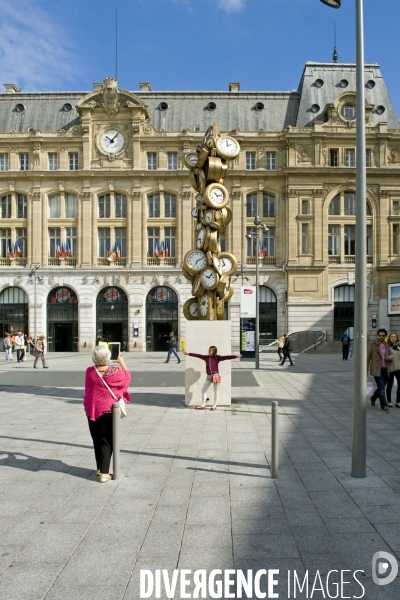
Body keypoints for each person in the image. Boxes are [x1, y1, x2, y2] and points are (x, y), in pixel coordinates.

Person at [83, 346, 131, 483]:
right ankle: (104, 473)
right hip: (108, 410)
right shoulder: (115, 372)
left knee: (97, 439)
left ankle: (99, 467)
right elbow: (127, 378)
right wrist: (121, 362)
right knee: (106, 441)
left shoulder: (90, 371)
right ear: (108, 357)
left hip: (92, 409)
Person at [184, 346, 241, 410]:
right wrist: (188, 354)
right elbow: (198, 355)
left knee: (216, 390)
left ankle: (214, 406)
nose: (209, 351)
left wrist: (236, 356)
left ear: (214, 351)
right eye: (209, 350)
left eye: (210, 350)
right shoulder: (206, 357)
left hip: (215, 376)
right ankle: (203, 405)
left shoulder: (217, 358)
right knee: (203, 390)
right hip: (208, 376)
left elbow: (227, 357)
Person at [367, 328, 389, 413]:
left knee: (381, 387)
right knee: (382, 388)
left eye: (383, 336)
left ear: (385, 336)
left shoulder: (388, 346)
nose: (381, 337)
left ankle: (373, 397)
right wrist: (366, 372)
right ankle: (383, 405)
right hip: (377, 370)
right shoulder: (373, 346)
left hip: (386, 370)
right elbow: (367, 359)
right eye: (380, 335)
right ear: (377, 336)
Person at [386, 332, 400, 408]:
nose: (393, 338)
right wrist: (388, 358)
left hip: (398, 368)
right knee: (390, 385)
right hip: (391, 368)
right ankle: (389, 401)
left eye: (394, 337)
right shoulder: (388, 347)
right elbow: (385, 357)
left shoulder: (399, 347)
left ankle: (398, 401)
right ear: (389, 338)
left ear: (397, 338)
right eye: (392, 337)